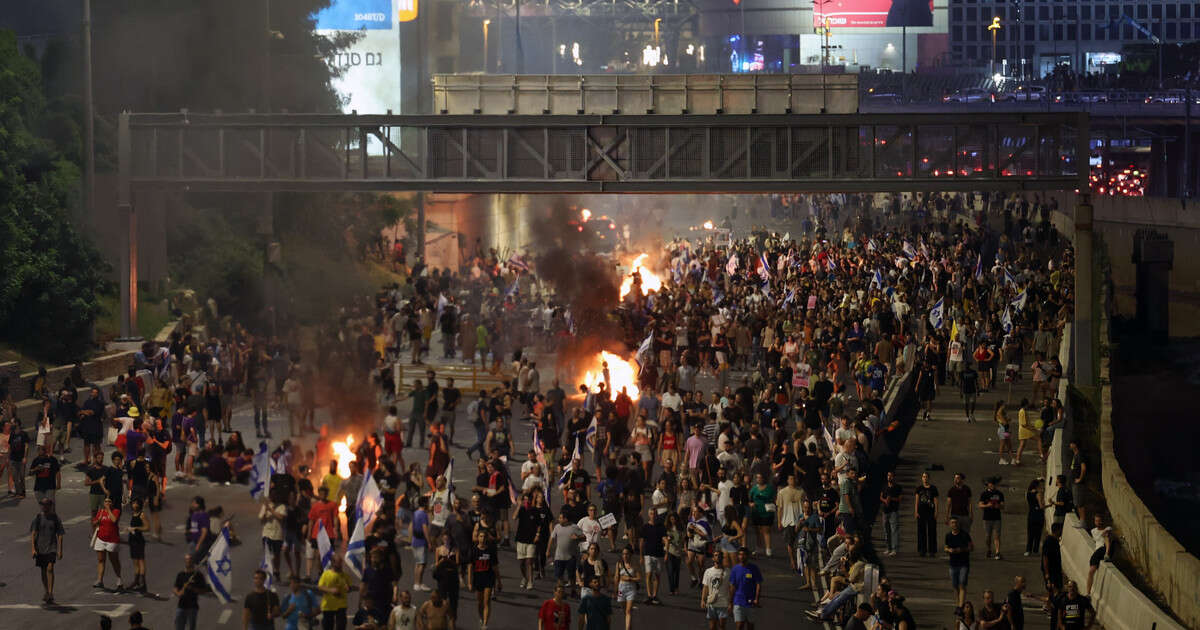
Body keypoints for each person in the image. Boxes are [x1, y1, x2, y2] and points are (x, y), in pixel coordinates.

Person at [30, 497, 64, 605]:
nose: (44, 506)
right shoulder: (38, 518)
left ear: (50, 506)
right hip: (40, 548)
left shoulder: (55, 518)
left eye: (46, 504)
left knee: (50, 568)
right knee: (43, 570)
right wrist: (33, 549)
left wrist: (60, 550)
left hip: (51, 547)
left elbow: (60, 535)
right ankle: (46, 591)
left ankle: (50, 592)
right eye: (43, 504)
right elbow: (33, 534)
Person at [468, 530, 500, 630]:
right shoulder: (473, 550)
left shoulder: (490, 551)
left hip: (489, 578)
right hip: (478, 578)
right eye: (480, 536)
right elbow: (470, 567)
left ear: (487, 538)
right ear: (478, 538)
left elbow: (495, 567)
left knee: (487, 602)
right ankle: (481, 617)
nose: (482, 539)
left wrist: (499, 580)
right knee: (480, 602)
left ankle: (485, 624)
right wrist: (469, 582)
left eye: (484, 537)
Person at [93, 496, 124, 590]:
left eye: (109, 501)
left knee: (114, 561)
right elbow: (94, 522)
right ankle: (100, 580)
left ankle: (119, 580)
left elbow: (114, 520)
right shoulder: (101, 512)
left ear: (112, 503)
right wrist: (98, 520)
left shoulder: (116, 511)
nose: (107, 503)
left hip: (112, 540)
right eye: (105, 501)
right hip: (101, 538)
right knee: (101, 560)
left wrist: (108, 510)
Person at [728, 547, 762, 630]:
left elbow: (758, 584)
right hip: (738, 601)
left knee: (750, 626)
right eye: (740, 554)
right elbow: (732, 586)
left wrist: (757, 599)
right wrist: (730, 602)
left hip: (750, 602)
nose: (741, 556)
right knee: (739, 626)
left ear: (748, 556)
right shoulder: (735, 569)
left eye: (744, 555)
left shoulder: (754, 568)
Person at [639, 511, 667, 604]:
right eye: (651, 513)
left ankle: (655, 595)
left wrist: (666, 550)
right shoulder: (645, 527)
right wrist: (641, 555)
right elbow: (642, 542)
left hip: (659, 554)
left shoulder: (661, 527)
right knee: (649, 574)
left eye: (654, 514)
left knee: (657, 575)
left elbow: (664, 539)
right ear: (648, 515)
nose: (653, 515)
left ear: (657, 515)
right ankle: (649, 595)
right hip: (648, 554)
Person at [944, 516, 973, 607]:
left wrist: (962, 550)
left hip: (963, 563)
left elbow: (971, 547)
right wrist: (949, 550)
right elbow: (945, 547)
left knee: (962, 584)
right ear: (950, 524)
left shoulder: (964, 535)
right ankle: (958, 604)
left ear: (958, 524)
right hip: (953, 564)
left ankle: (961, 606)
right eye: (952, 523)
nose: (954, 525)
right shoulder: (948, 536)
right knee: (955, 586)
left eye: (956, 523)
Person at [318, 554, 351, 630]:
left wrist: (348, 588)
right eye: (338, 563)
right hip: (328, 605)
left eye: (340, 563)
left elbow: (349, 587)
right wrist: (330, 590)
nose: (340, 565)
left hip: (341, 605)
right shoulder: (326, 574)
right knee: (328, 626)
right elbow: (320, 586)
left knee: (341, 626)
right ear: (333, 563)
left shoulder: (345, 575)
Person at [700, 552, 730, 630]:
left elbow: (731, 588)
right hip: (712, 603)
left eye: (719, 556)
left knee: (722, 626)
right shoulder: (708, 571)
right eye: (716, 555)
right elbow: (705, 587)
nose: (718, 557)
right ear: (713, 558)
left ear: (722, 558)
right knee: (712, 627)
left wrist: (731, 602)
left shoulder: (728, 572)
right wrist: (703, 600)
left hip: (723, 603)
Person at [613, 546, 641, 630]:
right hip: (621, 589)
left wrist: (630, 578)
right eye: (623, 554)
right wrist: (615, 591)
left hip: (631, 589)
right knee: (624, 610)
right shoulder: (619, 564)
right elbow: (616, 577)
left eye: (627, 554)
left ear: (630, 555)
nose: (625, 556)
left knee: (628, 611)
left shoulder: (635, 564)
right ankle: (629, 626)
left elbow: (639, 578)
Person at [1085, 514, 1113, 596]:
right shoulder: (1093, 531)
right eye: (1096, 521)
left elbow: (1108, 532)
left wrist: (1105, 532)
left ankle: (1107, 555)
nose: (1098, 522)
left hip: (1105, 548)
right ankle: (1088, 593)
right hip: (1098, 551)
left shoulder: (1107, 528)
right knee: (1091, 571)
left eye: (1099, 520)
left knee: (1106, 536)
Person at [174, 554, 203, 630]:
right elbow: (175, 588)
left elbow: (203, 590)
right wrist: (178, 593)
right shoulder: (181, 574)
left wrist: (192, 588)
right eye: (186, 560)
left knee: (191, 627)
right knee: (179, 627)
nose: (188, 561)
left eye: (189, 559)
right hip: (181, 606)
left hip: (192, 607)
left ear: (192, 561)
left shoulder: (198, 575)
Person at [978, 477, 1004, 560]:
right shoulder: (984, 494)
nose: (992, 485)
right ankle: (989, 549)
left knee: (997, 536)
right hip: (987, 518)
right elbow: (980, 505)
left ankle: (997, 552)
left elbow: (1003, 505)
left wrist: (998, 506)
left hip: (997, 518)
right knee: (988, 536)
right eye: (990, 484)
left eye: (993, 484)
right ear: (988, 485)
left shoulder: (1000, 494)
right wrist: (987, 505)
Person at [126, 498, 150, 591]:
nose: (134, 505)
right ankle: (136, 582)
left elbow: (147, 527)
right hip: (132, 540)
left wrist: (136, 528)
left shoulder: (142, 514)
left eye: (136, 504)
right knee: (135, 562)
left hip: (139, 540)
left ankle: (143, 583)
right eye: (133, 503)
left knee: (141, 561)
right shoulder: (134, 514)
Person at [914, 472, 939, 557]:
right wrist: (916, 511)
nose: (925, 478)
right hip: (921, 513)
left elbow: (936, 501)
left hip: (931, 513)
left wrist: (936, 512)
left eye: (926, 477)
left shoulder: (933, 488)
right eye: (923, 477)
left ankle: (932, 551)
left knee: (932, 531)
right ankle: (922, 550)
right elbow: (917, 501)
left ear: (929, 478)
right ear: (922, 478)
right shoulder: (919, 488)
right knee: (921, 532)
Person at [879, 470, 903, 556]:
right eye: (888, 475)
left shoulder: (898, 487)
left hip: (893, 511)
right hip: (885, 511)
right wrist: (885, 500)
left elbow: (900, 499)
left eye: (891, 476)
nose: (889, 477)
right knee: (886, 531)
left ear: (894, 477)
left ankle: (894, 549)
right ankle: (888, 548)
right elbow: (881, 497)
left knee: (894, 530)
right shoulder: (884, 486)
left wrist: (891, 499)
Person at [411, 495, 430, 591]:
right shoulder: (423, 514)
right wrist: (429, 542)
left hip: (415, 540)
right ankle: (418, 583)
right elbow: (425, 529)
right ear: (425, 503)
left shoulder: (415, 513)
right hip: (421, 541)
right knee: (422, 563)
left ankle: (417, 582)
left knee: (417, 563)